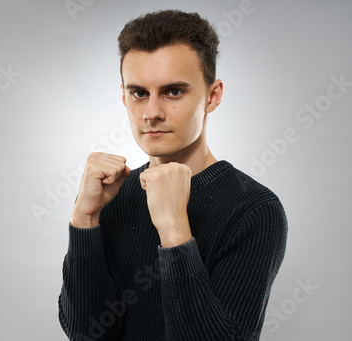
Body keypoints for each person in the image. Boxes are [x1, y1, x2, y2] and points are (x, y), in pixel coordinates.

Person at [58, 9, 287, 341]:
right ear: (124, 95)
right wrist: (84, 218)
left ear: (212, 95)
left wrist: (174, 229)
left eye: (174, 92)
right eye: (139, 93)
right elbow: (87, 335)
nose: (152, 113)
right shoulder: (111, 195)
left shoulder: (255, 210)